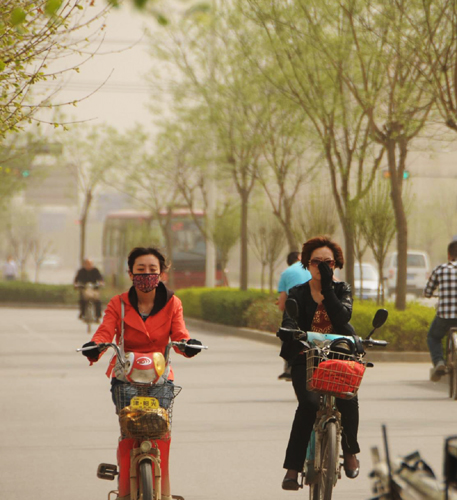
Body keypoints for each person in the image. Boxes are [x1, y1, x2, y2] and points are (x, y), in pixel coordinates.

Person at [80, 247, 202, 500]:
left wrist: (187, 345)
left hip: (160, 376)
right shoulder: (119, 303)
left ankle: (163, 488)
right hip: (126, 376)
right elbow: (105, 332)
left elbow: (179, 334)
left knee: (160, 430)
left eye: (152, 270)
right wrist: (95, 347)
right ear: (130, 273)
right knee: (129, 429)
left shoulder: (172, 303)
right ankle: (124, 480)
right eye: (140, 270)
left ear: (162, 274)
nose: (146, 275)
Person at [278, 236, 360, 491]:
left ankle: (349, 453)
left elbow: (342, 316)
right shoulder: (297, 292)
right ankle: (293, 469)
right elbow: (289, 322)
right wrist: (291, 333)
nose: (321, 267)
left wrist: (328, 288)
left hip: (338, 359)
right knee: (309, 405)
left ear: (336, 265)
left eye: (328, 263)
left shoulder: (342, 290)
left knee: (349, 398)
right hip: (306, 358)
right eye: (316, 262)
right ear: (307, 264)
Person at [424, 240, 457, 382]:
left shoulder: (440, 269)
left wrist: (430, 294)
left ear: (449, 255)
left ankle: (439, 362)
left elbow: (427, 291)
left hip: (444, 316)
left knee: (433, 337)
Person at [277, 251, 312, 380]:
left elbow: (282, 304)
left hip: (294, 310)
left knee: (287, 333)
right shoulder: (315, 269)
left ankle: (289, 367)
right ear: (299, 257)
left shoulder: (286, 273)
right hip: (316, 308)